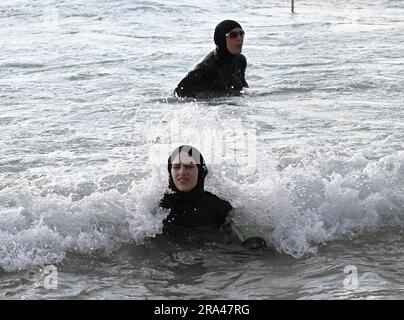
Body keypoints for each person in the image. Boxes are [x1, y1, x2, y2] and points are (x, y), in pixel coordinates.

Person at [159, 145, 266, 249]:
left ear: (200, 171)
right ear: (170, 171)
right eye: (176, 167)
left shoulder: (219, 207)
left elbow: (234, 241)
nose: (182, 172)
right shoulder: (160, 206)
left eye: (189, 166)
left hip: (214, 259)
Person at [174, 20, 249, 98]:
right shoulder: (206, 66)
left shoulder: (240, 61)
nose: (240, 38)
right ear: (221, 38)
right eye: (233, 35)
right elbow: (179, 92)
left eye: (241, 34)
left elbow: (242, 91)